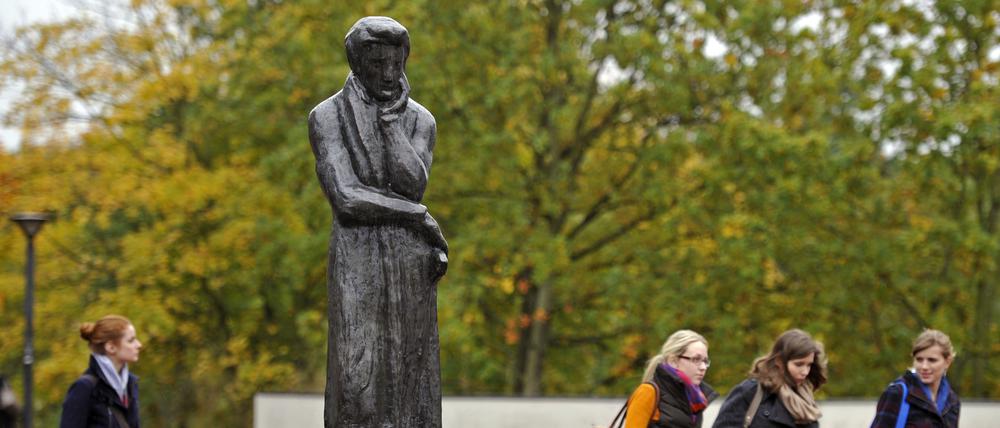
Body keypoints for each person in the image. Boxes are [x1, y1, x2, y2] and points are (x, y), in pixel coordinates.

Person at [308, 16, 448, 427]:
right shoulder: (327, 116)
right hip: (358, 258)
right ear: (356, 64)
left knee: (413, 384)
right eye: (378, 65)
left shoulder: (421, 120)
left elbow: (413, 183)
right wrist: (419, 218)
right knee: (357, 381)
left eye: (397, 64)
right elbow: (347, 198)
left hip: (410, 265)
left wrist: (390, 124)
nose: (389, 75)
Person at [712, 329, 826, 428]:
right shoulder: (751, 391)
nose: (805, 372)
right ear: (779, 361)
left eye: (809, 365)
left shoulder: (805, 398)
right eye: (799, 364)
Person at [621, 330, 719, 428]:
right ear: (673, 361)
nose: (703, 367)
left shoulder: (697, 399)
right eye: (696, 359)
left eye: (705, 361)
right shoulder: (648, 392)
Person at [60, 315, 142, 428]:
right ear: (111, 347)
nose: (138, 345)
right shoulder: (84, 387)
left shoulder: (130, 384)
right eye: (131, 340)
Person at [870, 329, 960, 428]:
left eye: (932, 360)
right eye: (919, 359)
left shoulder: (952, 401)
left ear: (948, 361)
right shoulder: (897, 393)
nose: (924, 366)